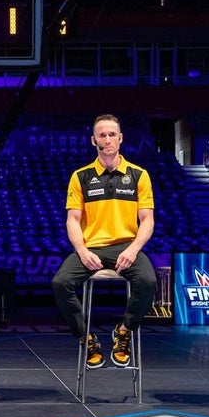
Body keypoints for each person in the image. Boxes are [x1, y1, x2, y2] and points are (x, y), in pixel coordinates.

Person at [52, 114, 157, 370]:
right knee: (60, 283)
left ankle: (124, 330)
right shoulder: (81, 177)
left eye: (112, 134)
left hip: (126, 246)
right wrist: (82, 250)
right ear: (93, 140)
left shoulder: (138, 175)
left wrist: (133, 249)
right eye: (102, 135)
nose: (107, 139)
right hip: (91, 248)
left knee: (148, 281)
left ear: (120, 139)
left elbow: (148, 220)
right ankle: (85, 337)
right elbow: (73, 220)